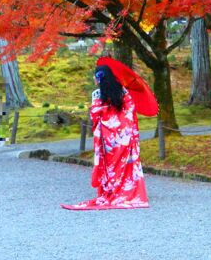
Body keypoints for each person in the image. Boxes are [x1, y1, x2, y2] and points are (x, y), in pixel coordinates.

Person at [62, 64, 149, 210]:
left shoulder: (98, 95)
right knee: (125, 166)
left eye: (94, 76)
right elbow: (130, 112)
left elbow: (94, 115)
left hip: (108, 139)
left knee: (110, 167)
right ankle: (126, 192)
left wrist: (103, 111)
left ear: (98, 78)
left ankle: (112, 191)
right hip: (124, 137)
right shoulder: (123, 92)